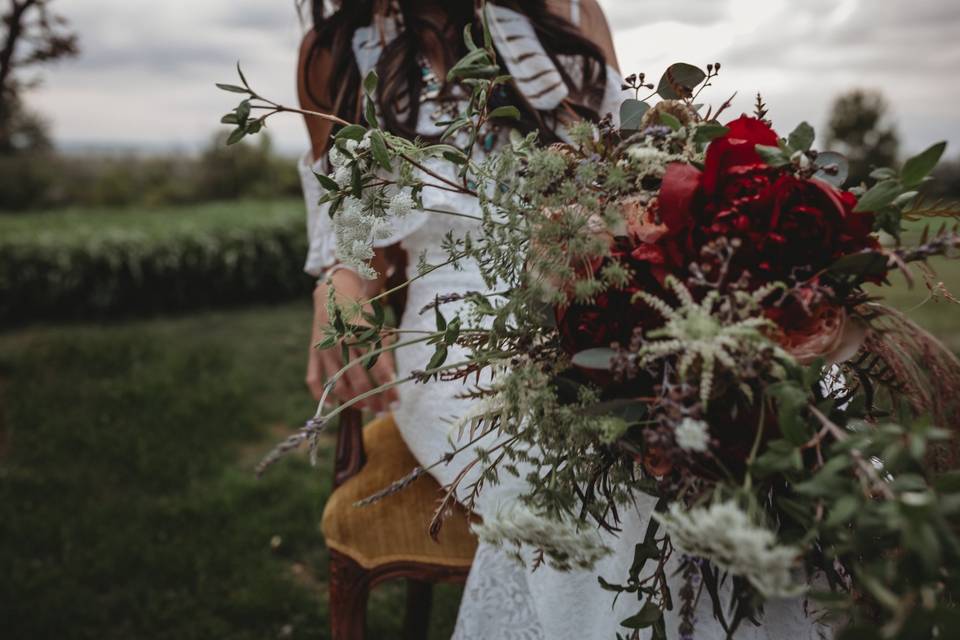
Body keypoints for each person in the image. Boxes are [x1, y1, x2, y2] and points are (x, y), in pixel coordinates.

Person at [296, 1, 832, 637]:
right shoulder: (337, 51)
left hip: (597, 283)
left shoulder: (572, 13)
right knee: (607, 479)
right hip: (456, 339)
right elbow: (351, 237)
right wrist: (339, 281)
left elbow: (621, 178)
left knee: (766, 410)